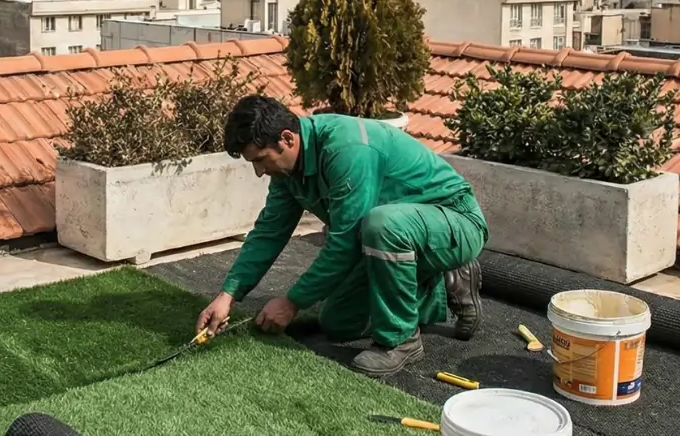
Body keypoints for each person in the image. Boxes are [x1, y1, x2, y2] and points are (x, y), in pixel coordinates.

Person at [195, 94, 488, 376]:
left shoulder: (346, 150)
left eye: (260, 160)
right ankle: (444, 282)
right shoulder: (287, 171)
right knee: (338, 321)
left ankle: (402, 340)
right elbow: (269, 231)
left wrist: (292, 302)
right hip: (400, 238)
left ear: (287, 138)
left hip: (455, 221)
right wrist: (227, 295)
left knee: (381, 224)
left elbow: (345, 242)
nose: (259, 172)